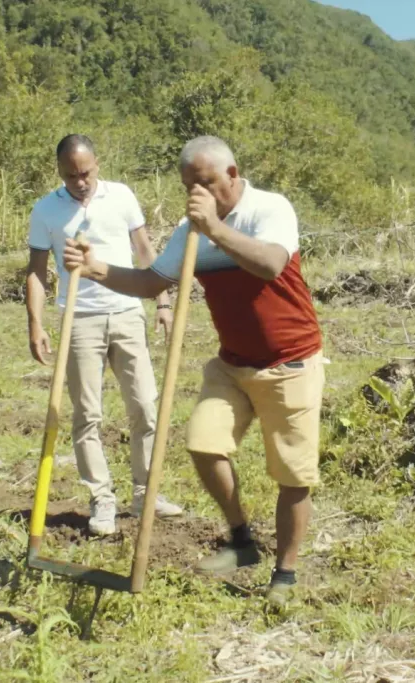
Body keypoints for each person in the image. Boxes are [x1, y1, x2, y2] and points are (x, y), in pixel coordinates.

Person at [62, 135, 325, 605]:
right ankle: (242, 540)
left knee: (292, 476)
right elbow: (151, 281)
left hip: (290, 362)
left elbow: (269, 265)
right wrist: (96, 267)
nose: (197, 194)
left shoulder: (270, 209)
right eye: (189, 185)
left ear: (232, 174)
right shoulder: (191, 231)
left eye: (205, 183)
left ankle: (284, 574)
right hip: (232, 364)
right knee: (203, 445)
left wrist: (215, 229)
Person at [26, 134, 185, 537]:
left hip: (128, 312)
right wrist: (36, 323)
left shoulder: (122, 197)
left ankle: (145, 492)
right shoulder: (46, 210)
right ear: (59, 171)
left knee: (146, 407)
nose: (79, 181)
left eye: (85, 172)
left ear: (98, 164)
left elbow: (146, 252)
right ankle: (102, 500)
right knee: (87, 415)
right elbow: (36, 270)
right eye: (70, 175)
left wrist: (163, 302)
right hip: (80, 320)